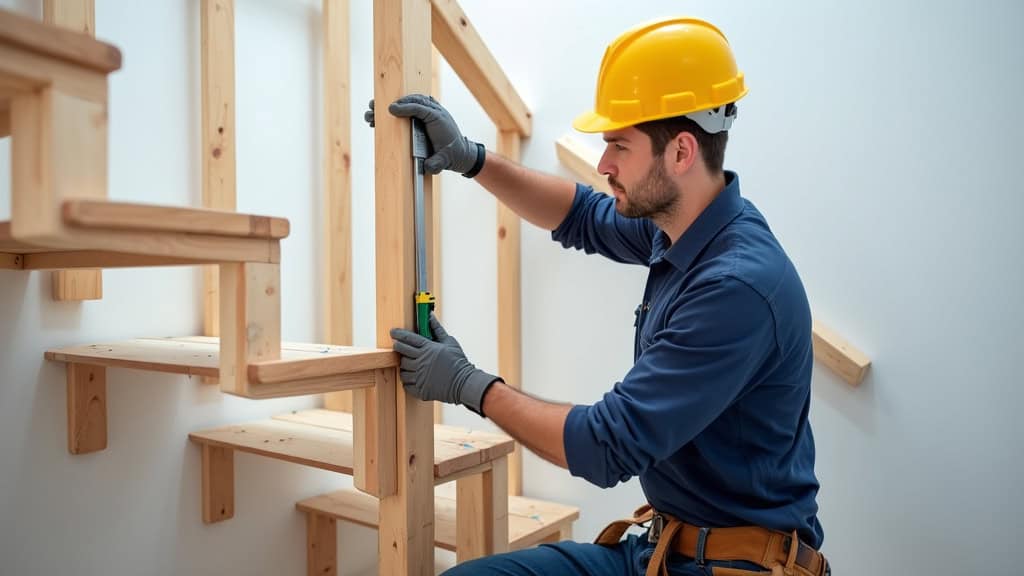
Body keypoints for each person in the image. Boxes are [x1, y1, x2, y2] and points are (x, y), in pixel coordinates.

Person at [379, 16, 828, 576]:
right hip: (664, 550)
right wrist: (472, 158)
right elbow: (583, 215)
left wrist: (469, 384)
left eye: (618, 144)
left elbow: (604, 445)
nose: (603, 163)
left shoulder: (734, 287)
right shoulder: (686, 225)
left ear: (681, 152)